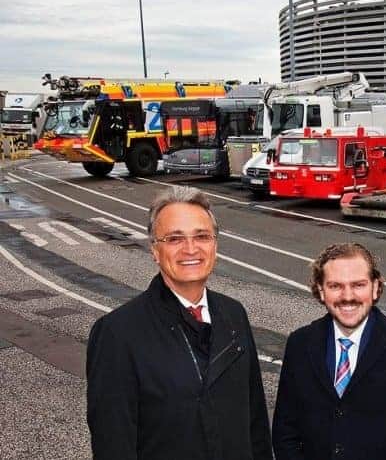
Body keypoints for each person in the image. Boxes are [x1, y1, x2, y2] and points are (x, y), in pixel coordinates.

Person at [86, 186, 273, 460]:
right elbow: (113, 444)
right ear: (155, 250)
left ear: (215, 245)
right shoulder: (117, 333)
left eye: (202, 236)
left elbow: (255, 421)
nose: (190, 249)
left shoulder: (234, 315)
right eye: (174, 239)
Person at [272, 243, 386, 460]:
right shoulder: (300, 344)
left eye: (358, 285)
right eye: (335, 286)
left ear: (375, 287)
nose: (347, 296)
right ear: (321, 290)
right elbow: (285, 432)